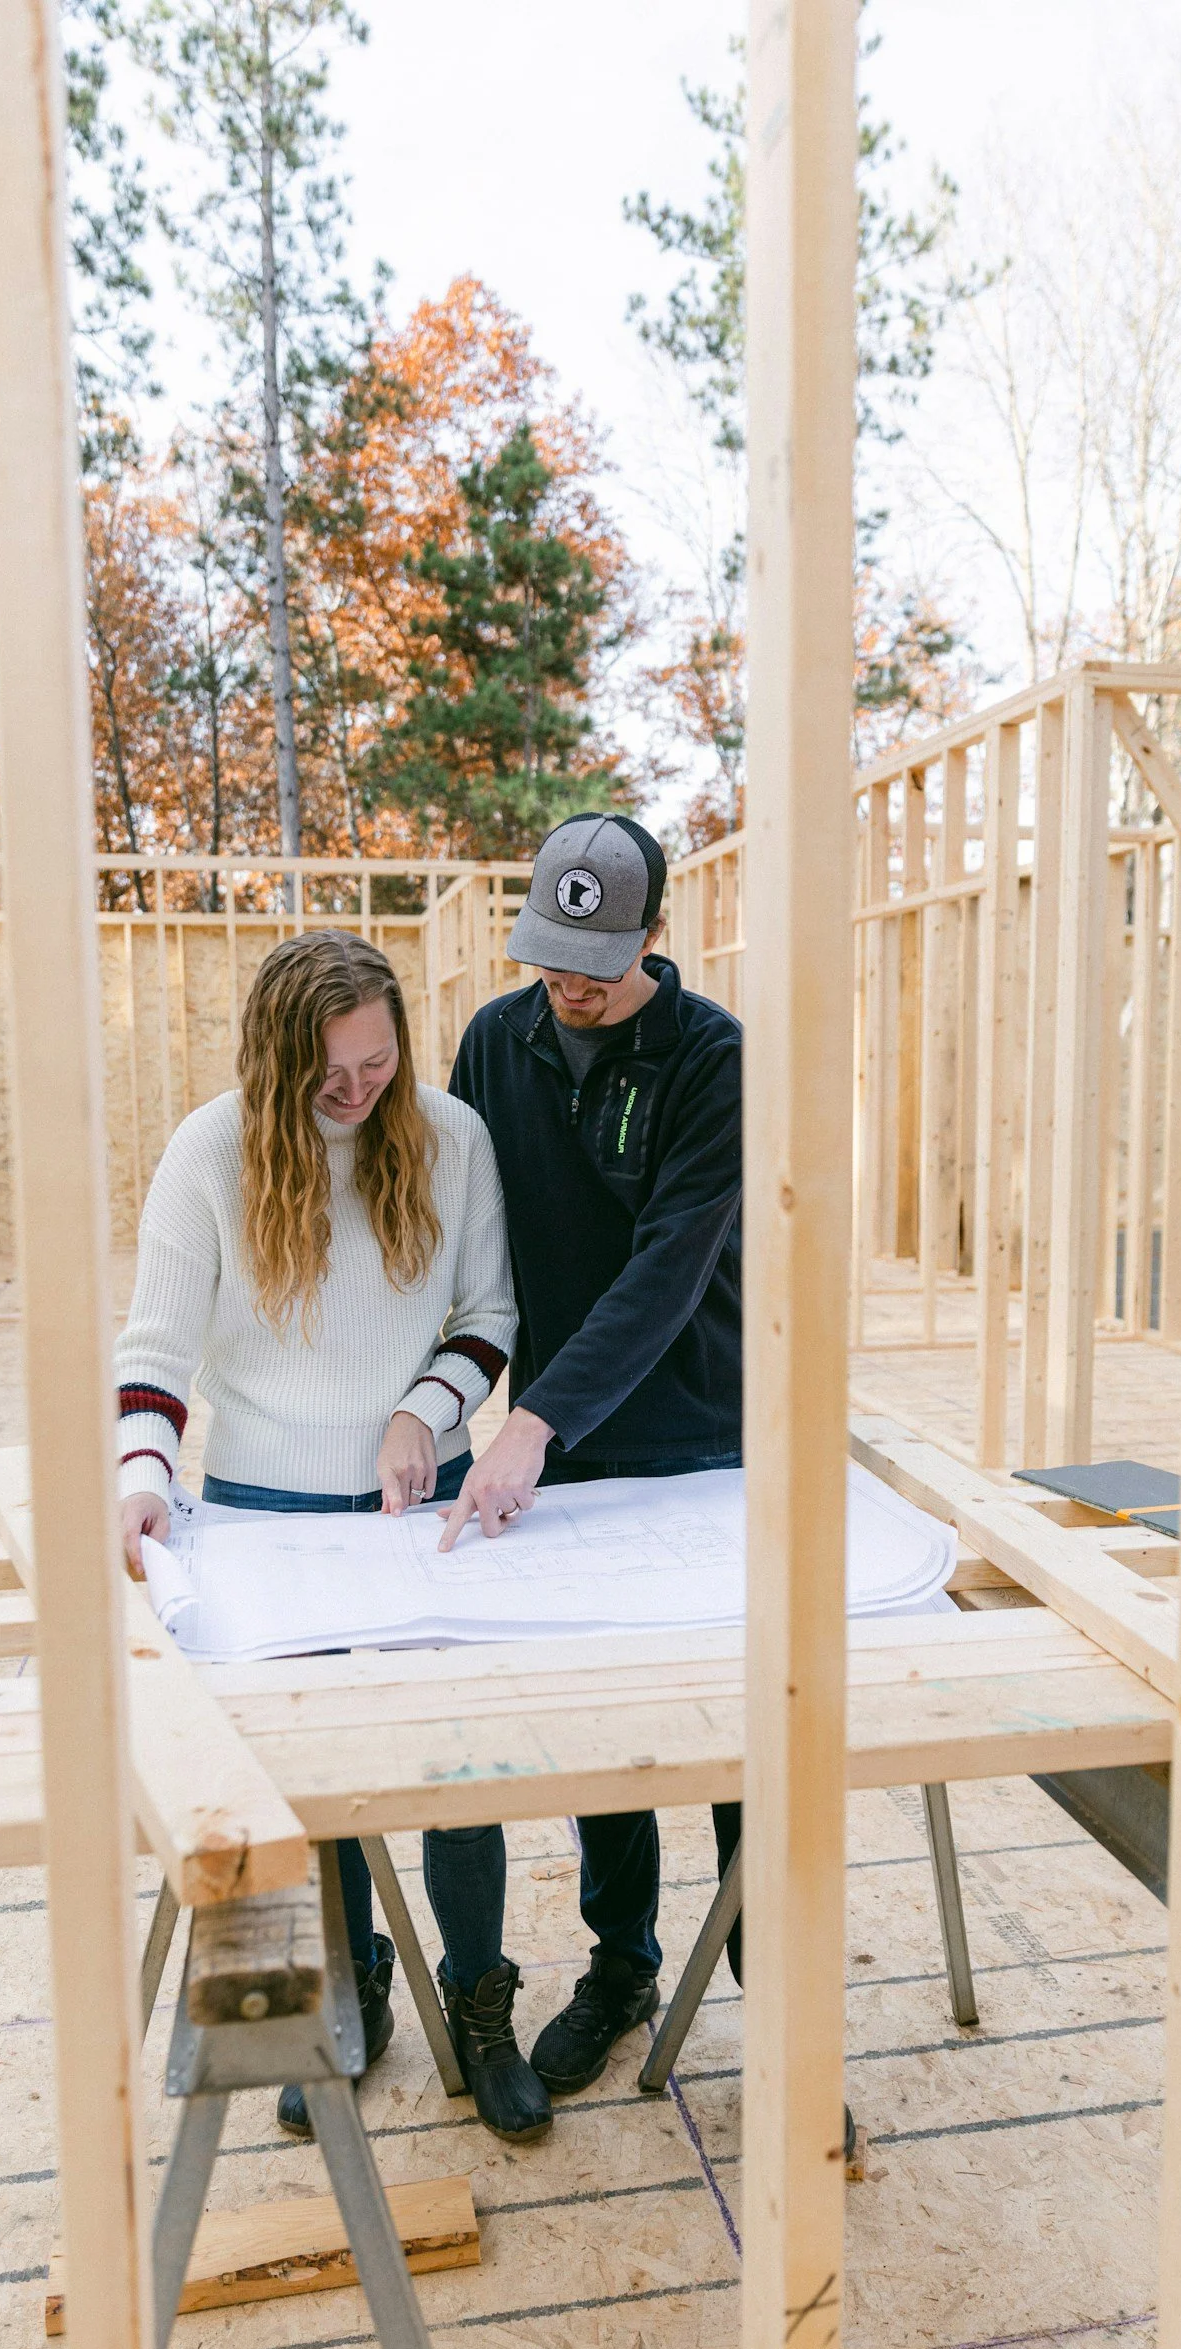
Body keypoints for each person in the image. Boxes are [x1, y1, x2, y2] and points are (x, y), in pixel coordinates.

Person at [113, 929, 553, 2143]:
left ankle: (478, 1996)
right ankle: (347, 1998)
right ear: (273, 1063)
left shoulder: (450, 1137)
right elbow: (152, 1351)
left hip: (427, 1503)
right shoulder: (209, 1151)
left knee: (460, 1763)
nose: (358, 1092)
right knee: (311, 1782)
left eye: (376, 1062)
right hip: (263, 1515)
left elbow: (487, 1314)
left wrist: (423, 1411)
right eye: (329, 1076)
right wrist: (144, 1478)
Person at [445, 813, 744, 2095]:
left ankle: (776, 2007)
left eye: (593, 963)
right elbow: (454, 1232)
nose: (566, 986)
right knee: (606, 1725)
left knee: (744, 1729)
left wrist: (530, 1419)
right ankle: (621, 1967)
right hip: (555, 1444)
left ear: (653, 939)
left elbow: (668, 1266)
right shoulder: (492, 1043)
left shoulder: (710, 1055)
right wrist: (431, 1394)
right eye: (550, 958)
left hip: (694, 1428)